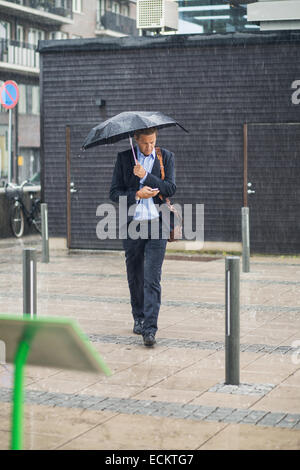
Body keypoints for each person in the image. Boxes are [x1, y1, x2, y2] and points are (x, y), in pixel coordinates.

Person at [109, 127, 176, 347]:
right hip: (132, 225)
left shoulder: (165, 156)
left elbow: (170, 188)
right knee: (135, 275)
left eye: (153, 142)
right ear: (136, 140)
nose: (149, 147)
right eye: (145, 143)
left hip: (158, 224)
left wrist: (146, 176)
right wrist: (136, 193)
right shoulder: (124, 158)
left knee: (152, 277)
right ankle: (138, 317)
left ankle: (150, 328)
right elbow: (114, 193)